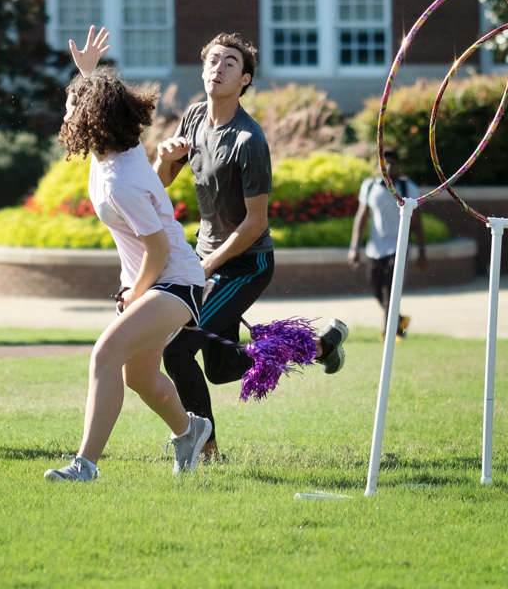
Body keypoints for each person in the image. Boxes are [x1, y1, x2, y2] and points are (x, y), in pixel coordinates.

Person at [154, 33, 349, 463]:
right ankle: (318, 347)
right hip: (206, 260)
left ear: (244, 79)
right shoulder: (193, 117)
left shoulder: (249, 141)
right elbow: (161, 181)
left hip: (244, 265)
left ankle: (206, 449)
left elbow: (255, 222)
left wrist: (205, 267)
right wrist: (164, 157)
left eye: (229, 63)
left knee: (175, 347)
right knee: (221, 370)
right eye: (213, 60)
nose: (217, 68)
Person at [45, 26, 213, 482]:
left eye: (71, 106)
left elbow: (158, 251)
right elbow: (99, 100)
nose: (65, 111)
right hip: (153, 281)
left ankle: (85, 465)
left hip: (175, 282)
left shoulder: (122, 178)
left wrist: (134, 294)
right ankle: (191, 430)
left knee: (104, 356)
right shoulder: (113, 151)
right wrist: (87, 74)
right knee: (139, 378)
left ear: (89, 118)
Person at [349, 150, 428, 340]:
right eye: (385, 163)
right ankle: (399, 319)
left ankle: (388, 332)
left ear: (398, 165)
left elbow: (417, 221)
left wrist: (422, 251)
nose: (389, 167)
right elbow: (362, 217)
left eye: (393, 163)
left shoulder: (408, 188)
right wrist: (354, 248)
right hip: (374, 248)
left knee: (390, 290)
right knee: (376, 289)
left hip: (398, 247)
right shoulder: (369, 186)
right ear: (378, 166)